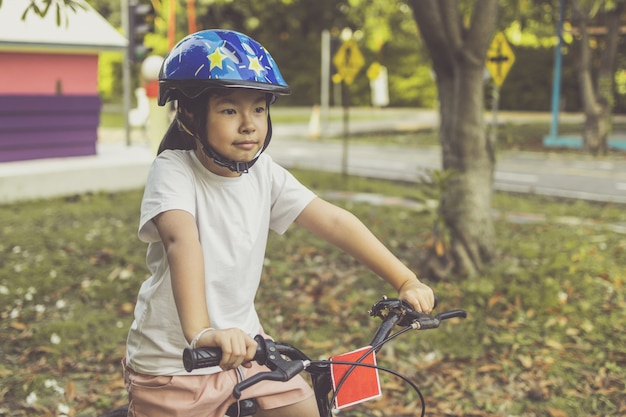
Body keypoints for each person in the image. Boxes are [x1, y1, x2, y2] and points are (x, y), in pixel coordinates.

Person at [123, 29, 435, 417]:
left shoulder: (264, 174)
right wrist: (202, 332)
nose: (249, 124)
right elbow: (181, 242)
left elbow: (334, 221)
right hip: (176, 363)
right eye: (228, 110)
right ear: (188, 113)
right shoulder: (173, 171)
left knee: (308, 410)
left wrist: (405, 279)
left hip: (248, 351)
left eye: (258, 108)